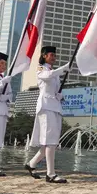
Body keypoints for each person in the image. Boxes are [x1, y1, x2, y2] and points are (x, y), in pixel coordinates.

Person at [25, 46, 70, 184]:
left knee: (51, 142)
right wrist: (63, 69)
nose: (53, 57)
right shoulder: (41, 69)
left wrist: (58, 95)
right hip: (46, 107)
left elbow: (53, 89)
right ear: (44, 56)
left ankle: (31, 164)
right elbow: (47, 77)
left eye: (54, 55)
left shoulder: (52, 71)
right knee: (50, 142)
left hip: (55, 106)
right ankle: (50, 174)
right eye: (51, 55)